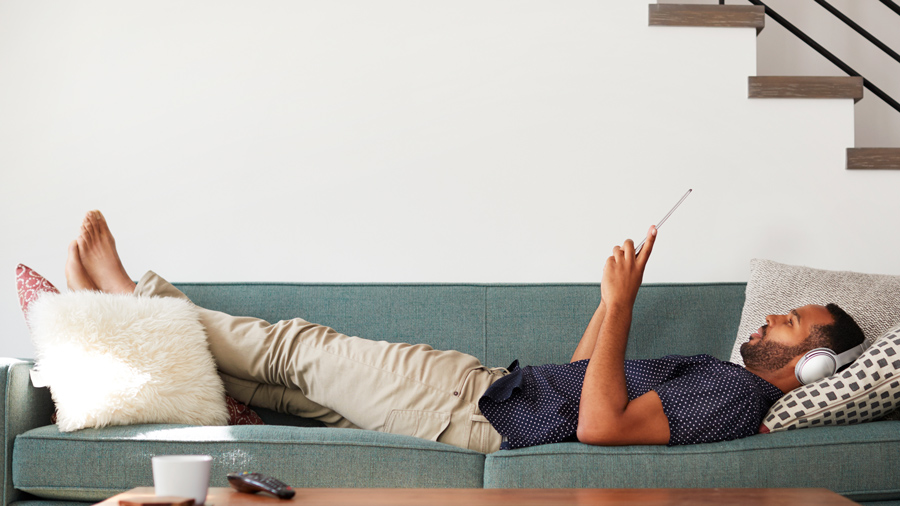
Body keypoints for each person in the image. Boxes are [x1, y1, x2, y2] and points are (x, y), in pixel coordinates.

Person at [65, 210, 865, 453]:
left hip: (468, 409)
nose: (766, 318)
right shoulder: (723, 388)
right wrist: (613, 297)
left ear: (813, 363)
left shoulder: (731, 396)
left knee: (293, 352)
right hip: (492, 399)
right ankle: (123, 318)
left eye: (786, 322)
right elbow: (583, 379)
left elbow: (598, 427)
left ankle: (128, 293)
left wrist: (622, 307)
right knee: (270, 384)